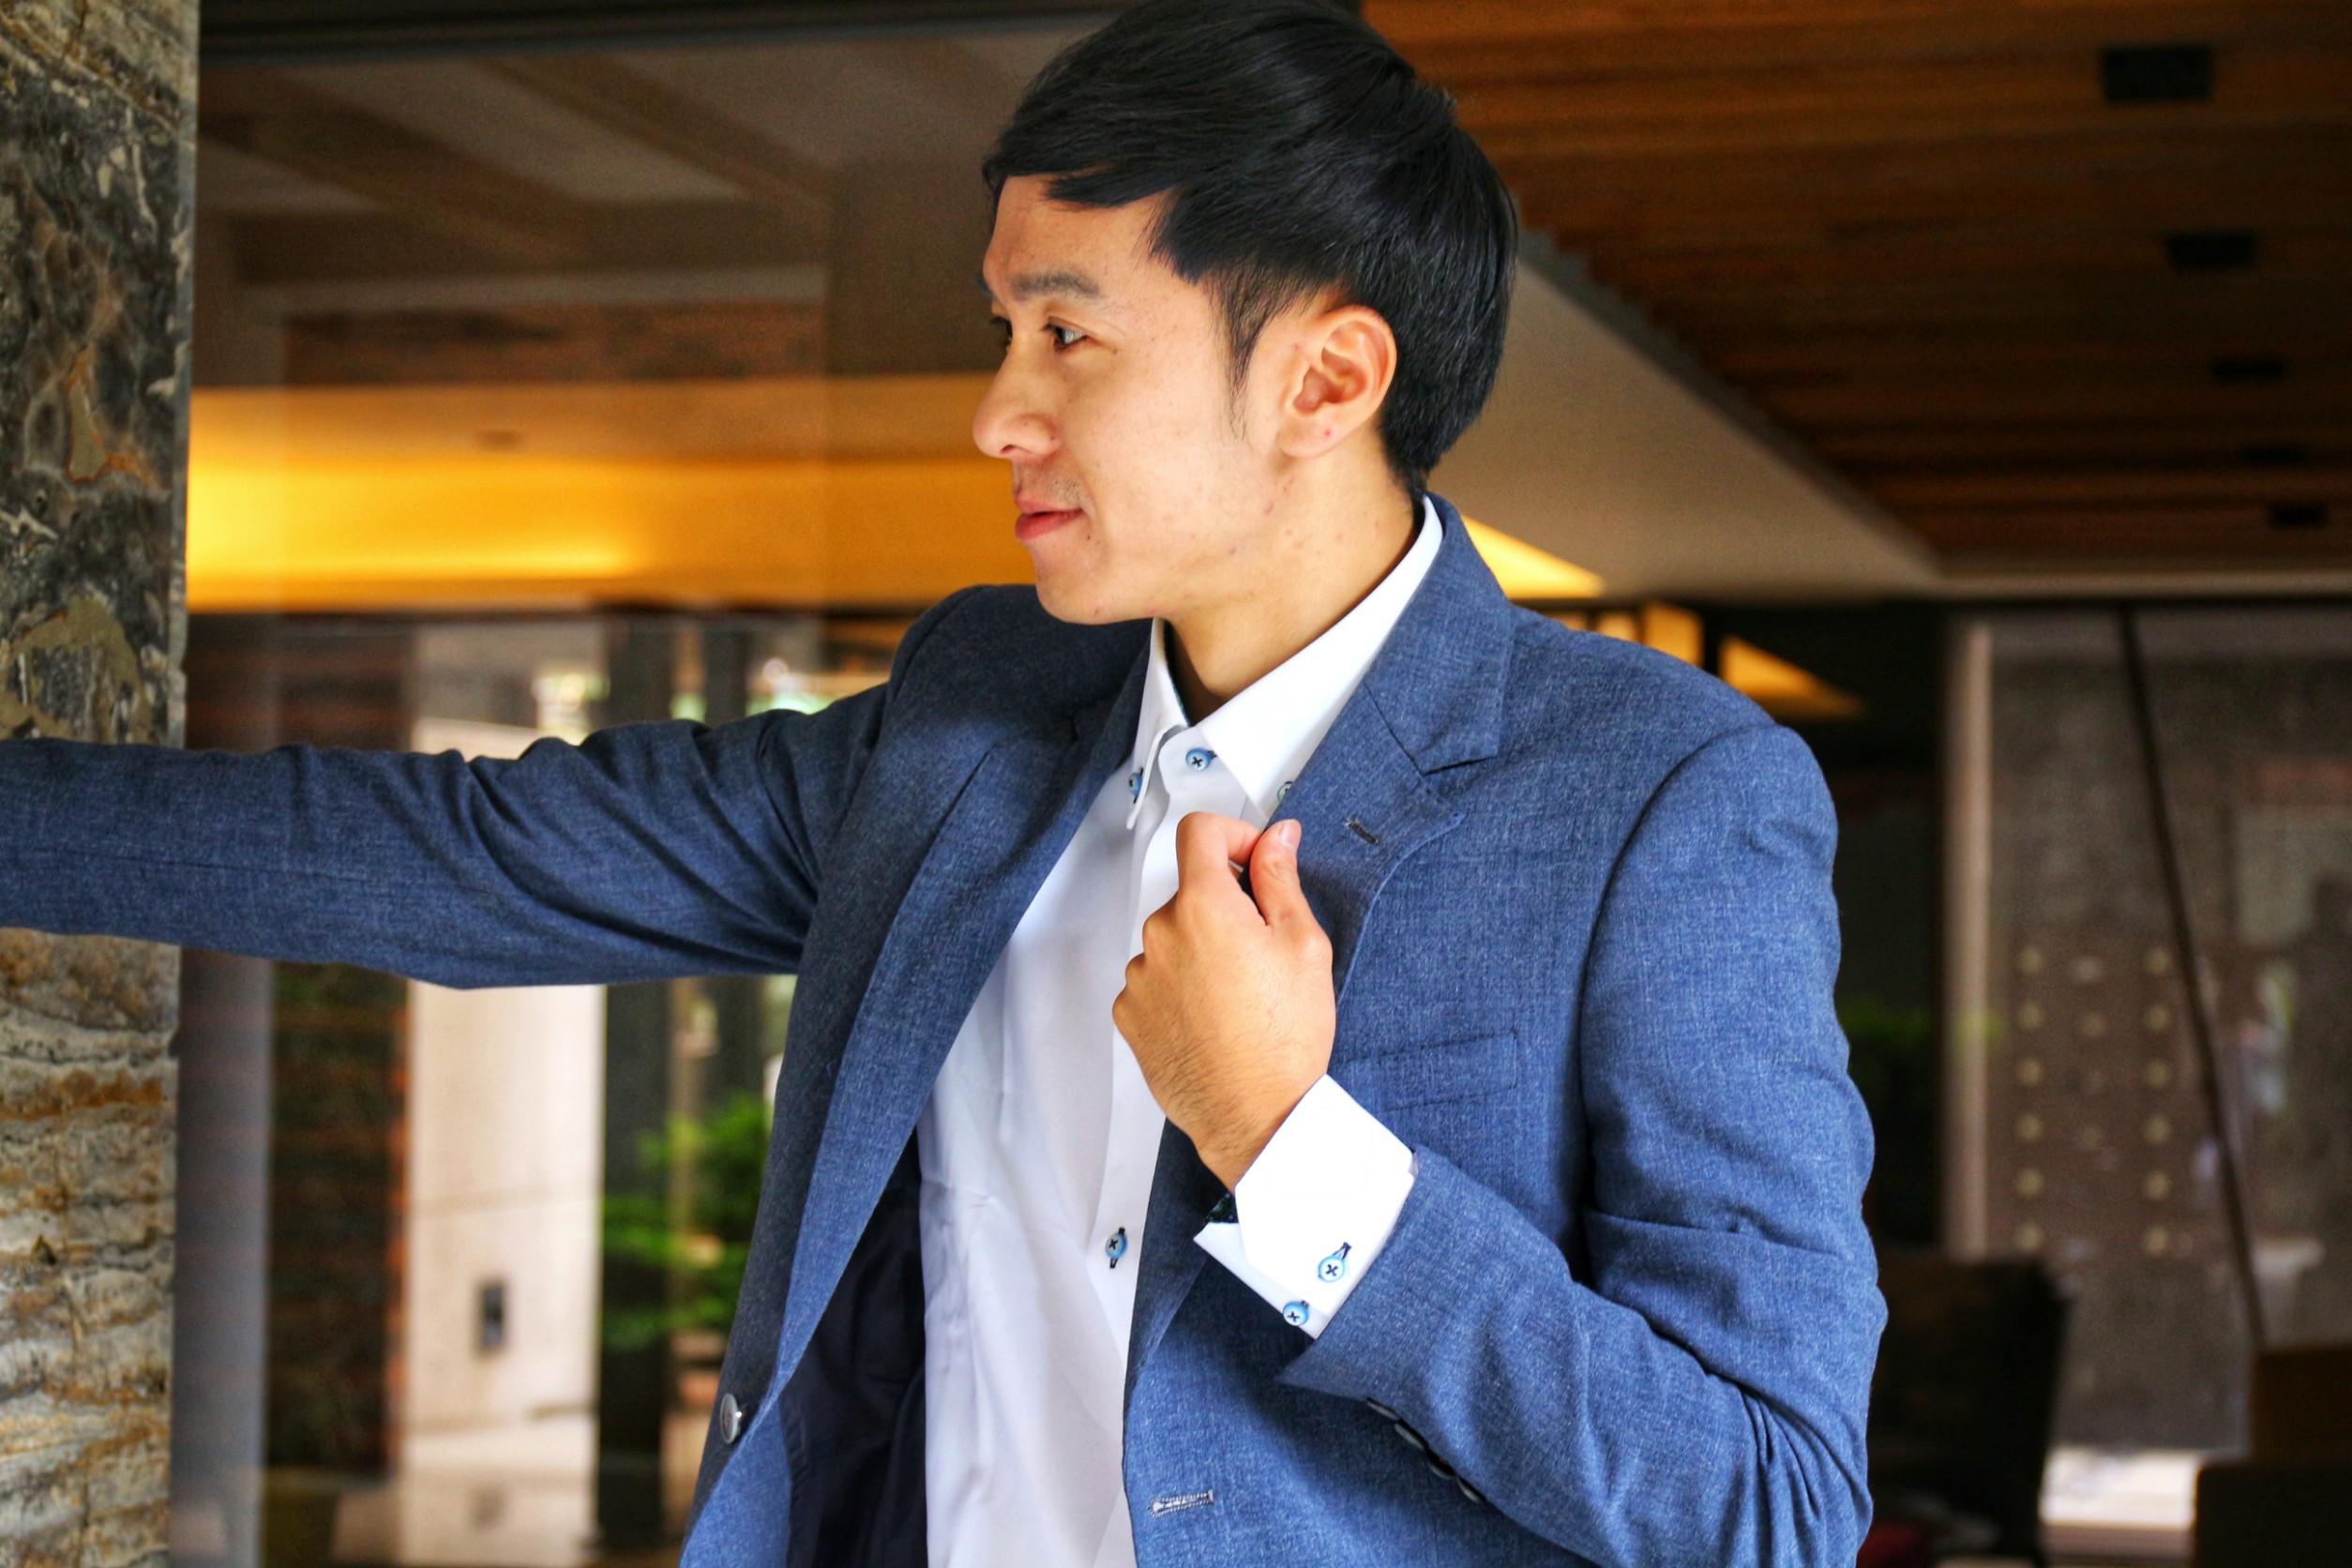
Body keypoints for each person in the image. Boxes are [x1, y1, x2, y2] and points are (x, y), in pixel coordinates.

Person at [0, 2, 1881, 1563]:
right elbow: (479, 855)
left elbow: (1776, 1502)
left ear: (1326, 381)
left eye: (1068, 332)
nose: (997, 411)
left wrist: (1290, 1150)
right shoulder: (976, 710)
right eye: (1004, 331)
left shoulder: (1662, 797)